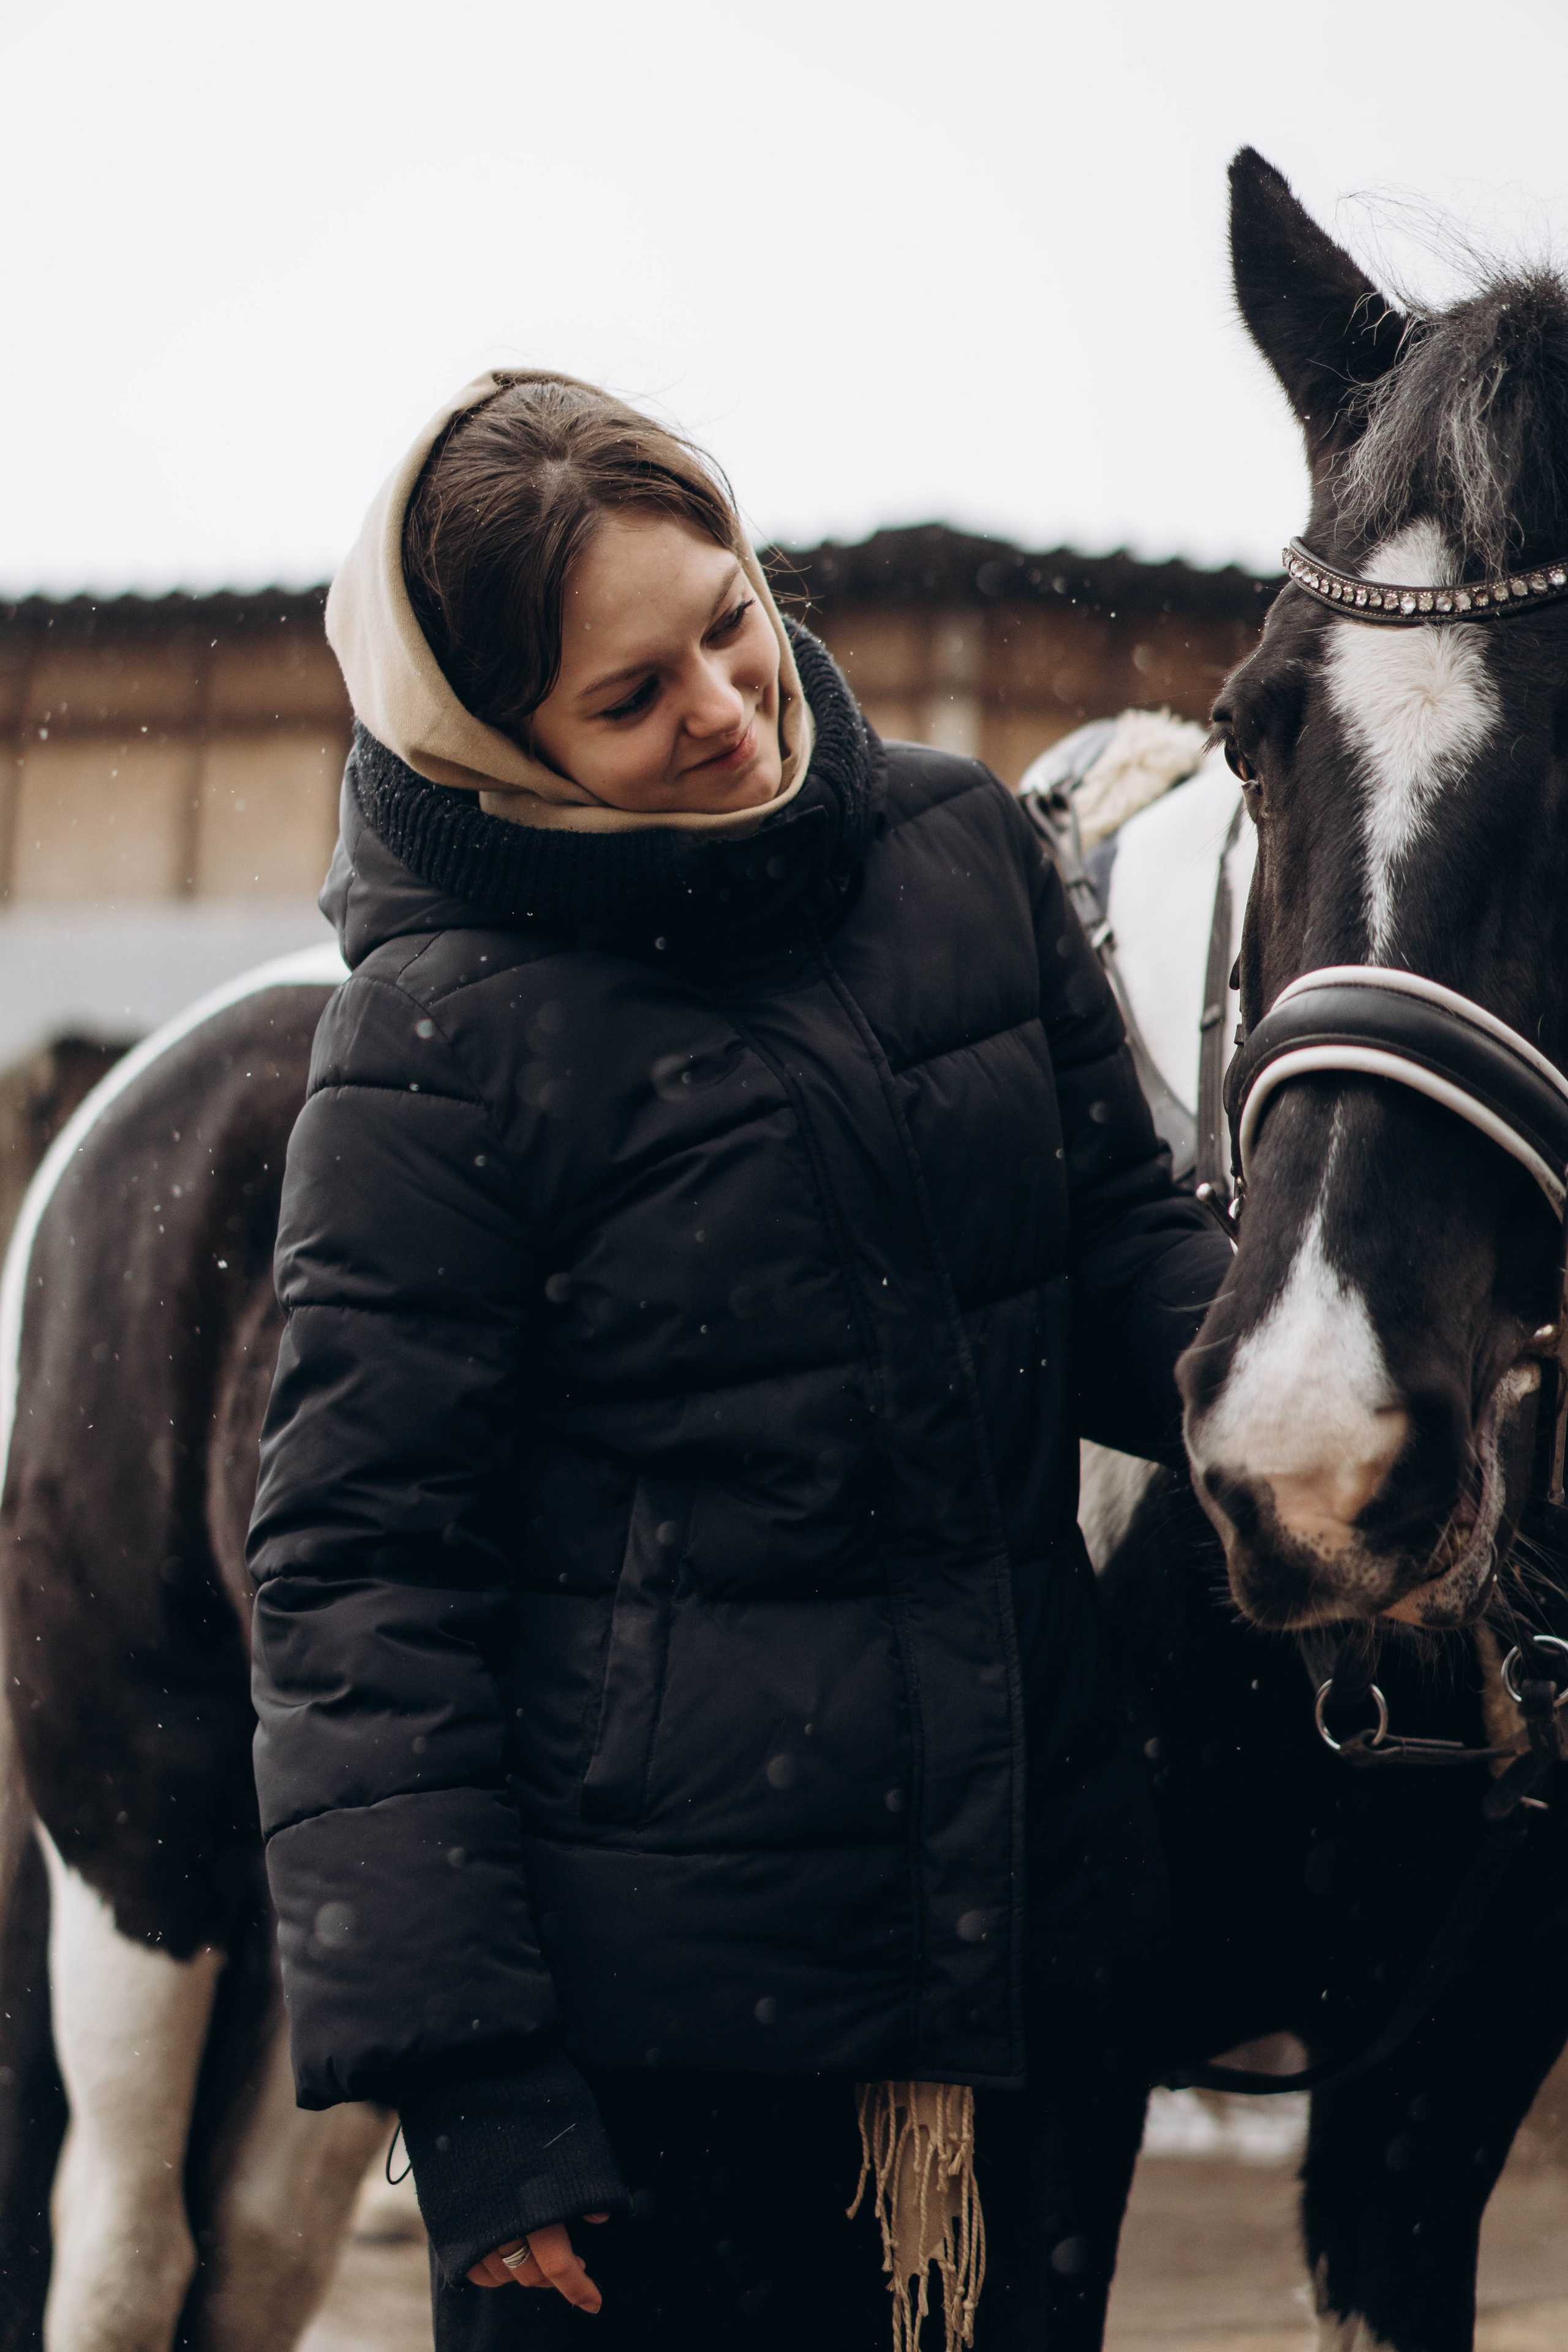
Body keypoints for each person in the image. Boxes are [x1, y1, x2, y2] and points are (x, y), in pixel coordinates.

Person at [246, 370, 1232, 2350]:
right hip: (651, 2069)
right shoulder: (432, 1049)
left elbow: (1122, 1257)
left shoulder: (959, 849)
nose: (723, 703)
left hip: (1021, 1966)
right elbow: (361, 1584)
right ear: (494, 742)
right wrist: (482, 2092)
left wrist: (1322, 1375)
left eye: (730, 618)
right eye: (630, 699)